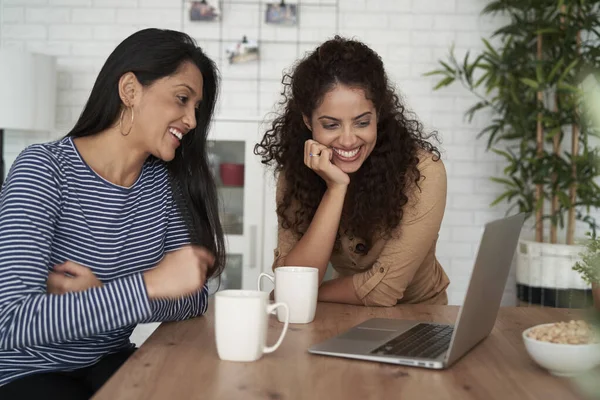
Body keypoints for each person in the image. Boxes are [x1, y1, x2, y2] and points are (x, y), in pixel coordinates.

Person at [0, 28, 225, 399]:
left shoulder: (164, 185)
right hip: (28, 370)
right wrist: (149, 285)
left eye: (196, 109)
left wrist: (106, 293)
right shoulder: (43, 169)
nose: (191, 120)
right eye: (182, 99)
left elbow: (192, 296)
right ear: (130, 90)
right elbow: (12, 320)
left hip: (109, 358)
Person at [255, 36, 450, 307]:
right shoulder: (298, 173)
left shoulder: (422, 171)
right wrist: (335, 189)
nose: (348, 141)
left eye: (361, 122)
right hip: (344, 315)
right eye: (331, 125)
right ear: (307, 121)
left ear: (378, 114)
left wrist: (303, 294)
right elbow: (293, 276)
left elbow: (384, 290)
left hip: (419, 318)